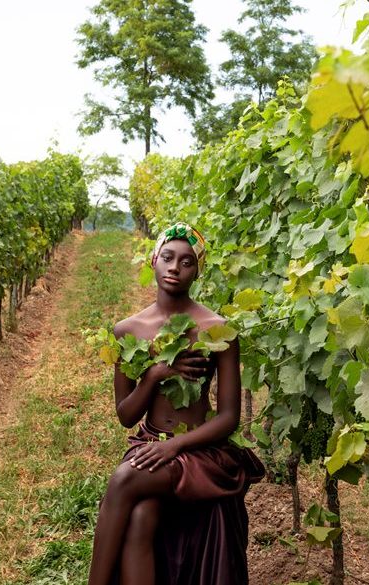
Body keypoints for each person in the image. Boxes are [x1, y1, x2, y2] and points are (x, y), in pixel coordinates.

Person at [88, 222, 264, 585]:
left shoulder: (218, 328)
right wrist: (154, 375)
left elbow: (229, 416)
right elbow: (126, 415)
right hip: (149, 443)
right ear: (154, 259)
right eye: (167, 257)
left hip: (200, 450)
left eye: (187, 262)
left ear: (198, 270)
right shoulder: (127, 329)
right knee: (140, 520)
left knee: (123, 480)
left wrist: (175, 446)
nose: (174, 267)